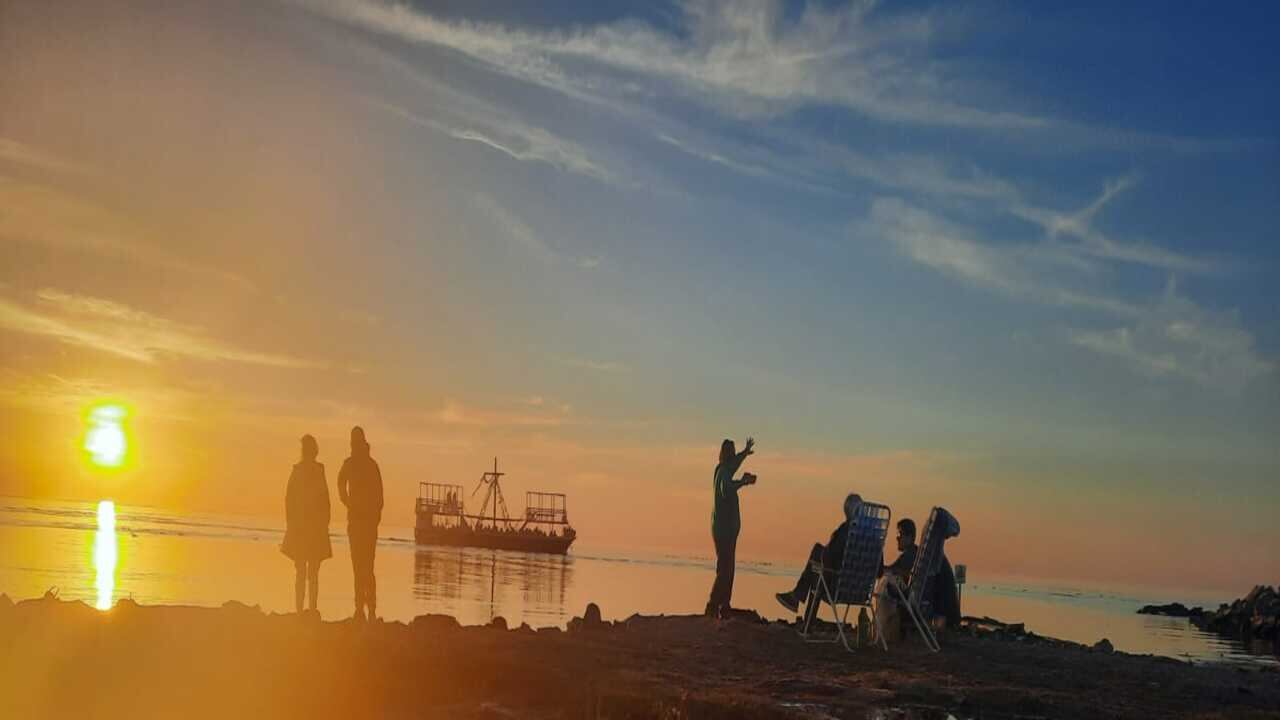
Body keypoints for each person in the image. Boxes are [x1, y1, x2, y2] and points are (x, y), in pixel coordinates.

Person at [774, 493, 863, 621]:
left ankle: (798, 598)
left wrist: (830, 542)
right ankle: (797, 598)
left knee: (817, 568)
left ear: (847, 512)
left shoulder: (845, 530)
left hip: (839, 589)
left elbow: (828, 557)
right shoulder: (874, 537)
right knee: (818, 573)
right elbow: (879, 571)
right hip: (860, 592)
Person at [705, 436, 756, 618]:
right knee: (725, 568)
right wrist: (743, 481)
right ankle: (713, 605)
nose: (735, 455)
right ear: (727, 453)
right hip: (723, 530)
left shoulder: (724, 469)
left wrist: (745, 452)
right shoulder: (723, 474)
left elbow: (734, 463)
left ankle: (724, 605)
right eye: (733, 452)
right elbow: (726, 489)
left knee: (728, 567)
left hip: (726, 529)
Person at [281, 434, 332, 614]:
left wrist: (291, 523)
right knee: (311, 572)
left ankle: (302, 609)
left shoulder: (304, 470)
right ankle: (308, 609)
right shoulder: (314, 470)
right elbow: (324, 499)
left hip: (305, 528)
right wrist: (325, 521)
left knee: (303, 571)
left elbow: (289, 499)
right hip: (311, 528)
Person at [338, 426, 383, 621]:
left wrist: (372, 517)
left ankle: (367, 608)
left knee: (363, 567)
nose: (352, 445)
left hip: (363, 523)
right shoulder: (359, 464)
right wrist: (347, 501)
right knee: (362, 566)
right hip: (360, 522)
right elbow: (340, 482)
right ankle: (363, 609)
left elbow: (379, 497)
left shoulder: (367, 465)